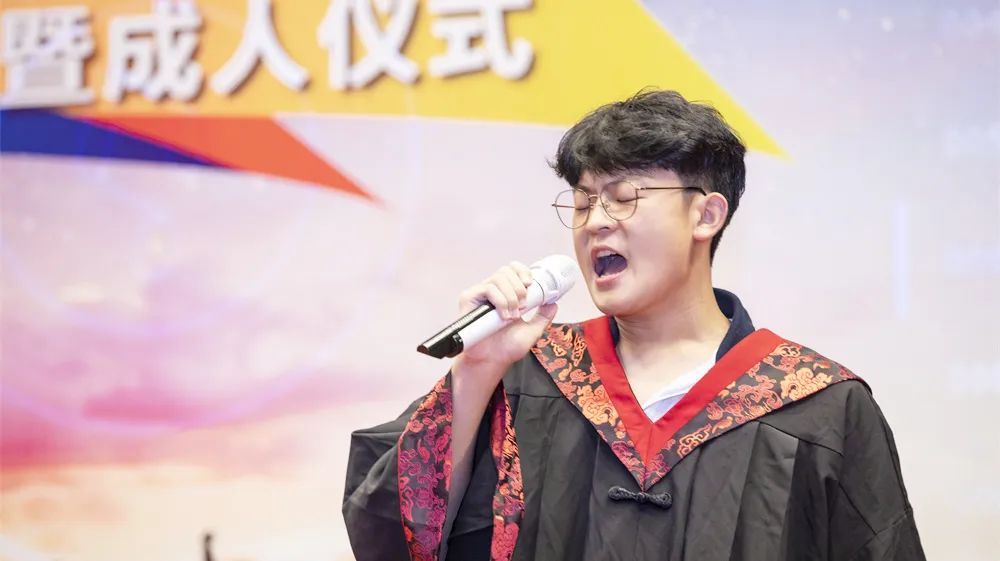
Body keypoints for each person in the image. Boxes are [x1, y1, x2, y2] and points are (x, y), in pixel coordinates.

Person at [342, 90, 925, 561]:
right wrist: (476, 370)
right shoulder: (526, 375)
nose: (595, 222)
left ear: (706, 214)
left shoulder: (818, 406)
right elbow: (394, 536)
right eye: (582, 203)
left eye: (623, 198)